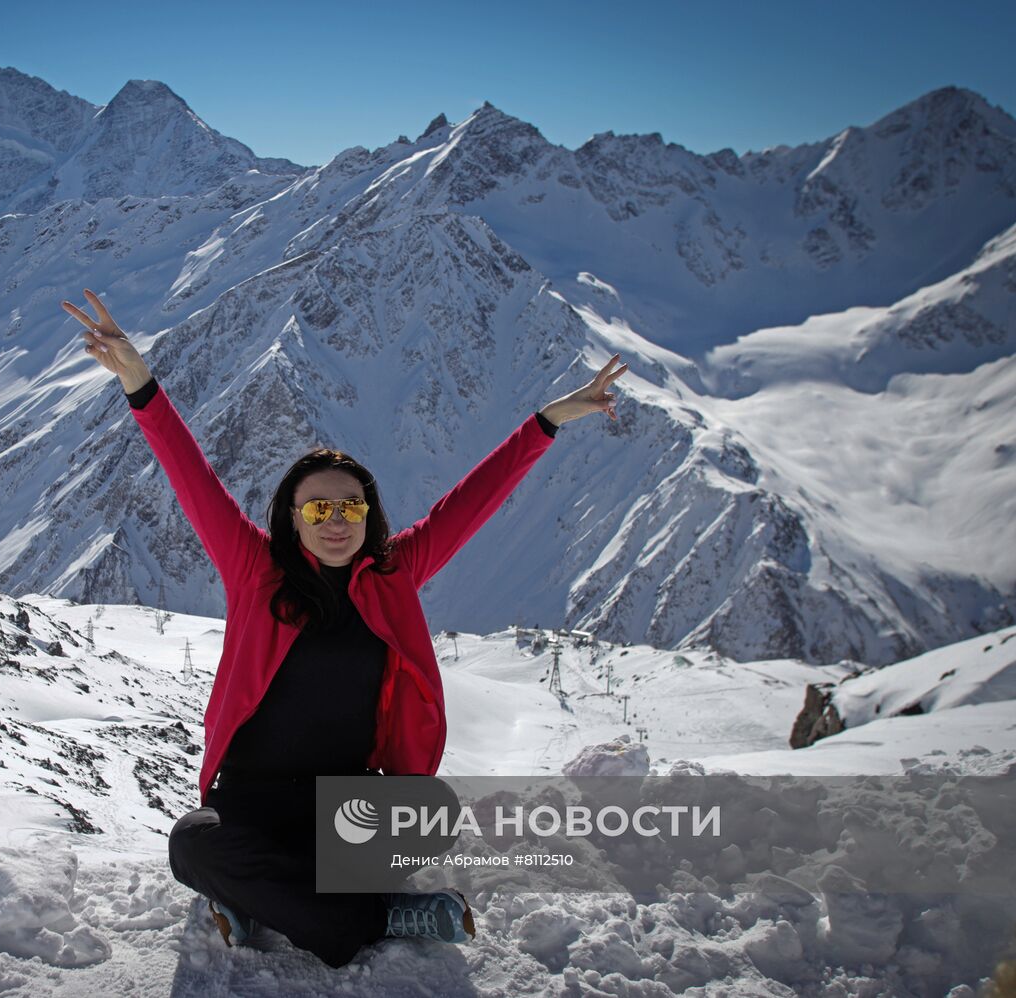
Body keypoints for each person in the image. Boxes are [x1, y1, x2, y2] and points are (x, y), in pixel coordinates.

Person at [62, 289, 626, 967]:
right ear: (292, 517)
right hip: (251, 802)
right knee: (192, 845)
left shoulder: (395, 573)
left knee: (434, 816)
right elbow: (192, 477)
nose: (336, 520)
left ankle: (260, 902)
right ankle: (369, 916)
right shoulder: (255, 572)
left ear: (368, 515)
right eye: (319, 507)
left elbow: (473, 501)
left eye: (350, 507)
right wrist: (139, 382)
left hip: (343, 808)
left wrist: (551, 419)